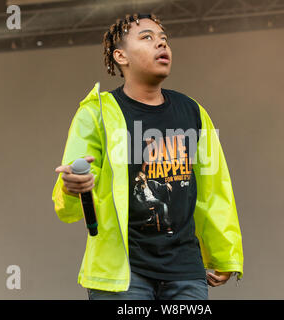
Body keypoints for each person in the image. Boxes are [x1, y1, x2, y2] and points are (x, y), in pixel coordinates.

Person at [52, 13, 244, 300]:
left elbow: (214, 188)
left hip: (185, 272)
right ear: (121, 56)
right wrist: (72, 186)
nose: (161, 44)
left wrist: (224, 253)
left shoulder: (193, 111)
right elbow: (73, 192)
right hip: (124, 273)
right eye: (147, 38)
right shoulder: (97, 114)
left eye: (163, 39)